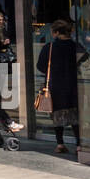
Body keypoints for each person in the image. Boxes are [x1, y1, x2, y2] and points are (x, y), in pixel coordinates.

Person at [36, 19, 81, 154]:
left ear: (56, 33)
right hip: (73, 85)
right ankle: (79, 145)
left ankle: (60, 143)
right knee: (75, 116)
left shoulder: (49, 47)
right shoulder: (75, 46)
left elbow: (40, 66)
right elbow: (84, 60)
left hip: (55, 85)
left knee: (57, 115)